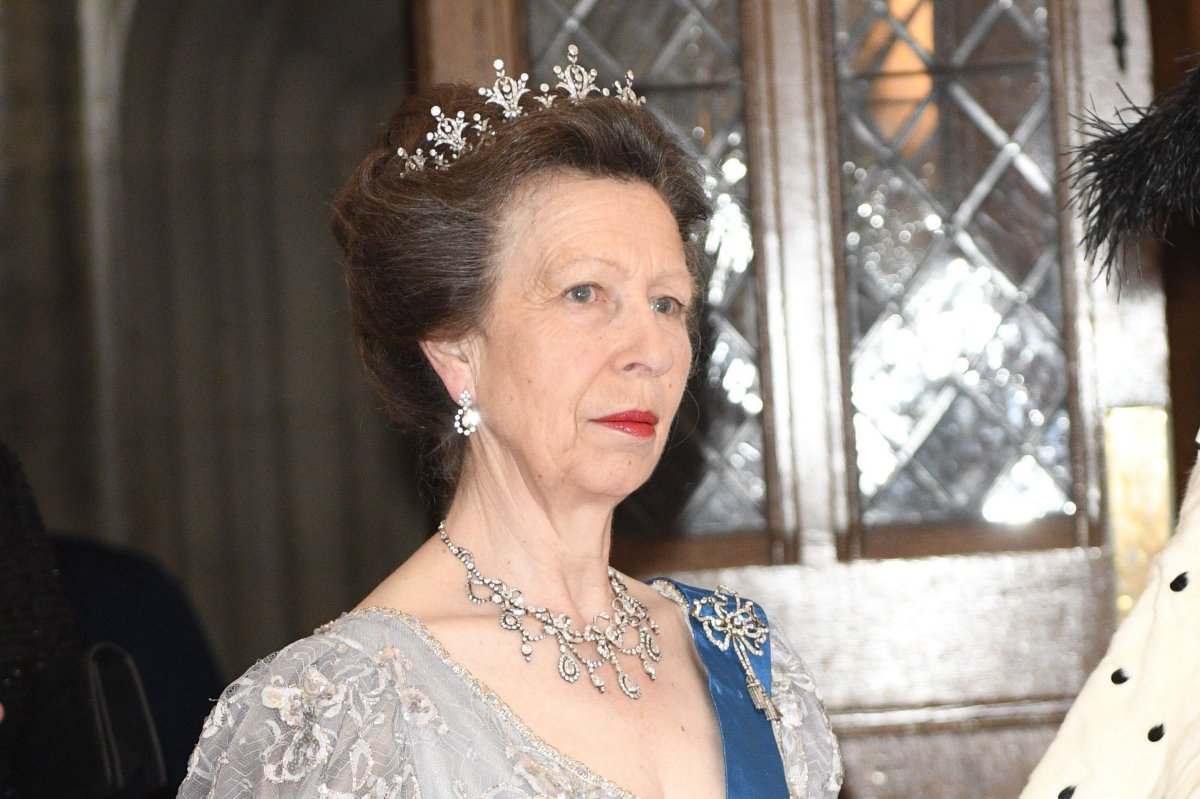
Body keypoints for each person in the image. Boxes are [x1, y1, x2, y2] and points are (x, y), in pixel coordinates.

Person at [178, 46, 842, 799]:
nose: (650, 349)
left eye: (667, 302)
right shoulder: (349, 711)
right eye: (585, 293)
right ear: (457, 351)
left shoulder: (745, 666)